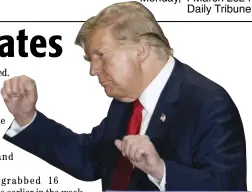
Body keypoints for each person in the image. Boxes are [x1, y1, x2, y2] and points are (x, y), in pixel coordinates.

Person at [1, 1, 247, 191]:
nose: (92, 70)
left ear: (141, 50)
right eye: (90, 59)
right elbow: (90, 159)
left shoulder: (208, 103)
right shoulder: (125, 103)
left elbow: (227, 186)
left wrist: (161, 171)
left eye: (101, 55)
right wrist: (27, 116)